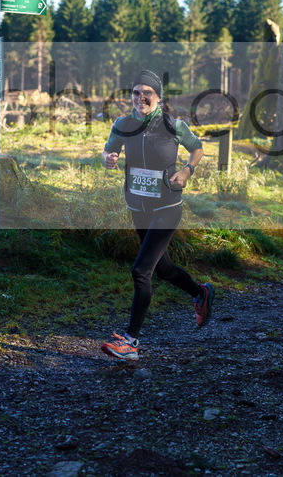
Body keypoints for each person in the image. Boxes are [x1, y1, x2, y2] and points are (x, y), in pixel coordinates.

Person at [100, 70, 214, 361]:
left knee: (141, 271)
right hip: (137, 209)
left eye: (147, 92)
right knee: (163, 269)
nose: (141, 98)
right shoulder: (123, 124)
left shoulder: (172, 124)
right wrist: (109, 159)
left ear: (158, 96)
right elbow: (108, 151)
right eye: (136, 92)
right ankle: (200, 293)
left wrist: (187, 170)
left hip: (166, 209)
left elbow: (197, 148)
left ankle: (131, 342)